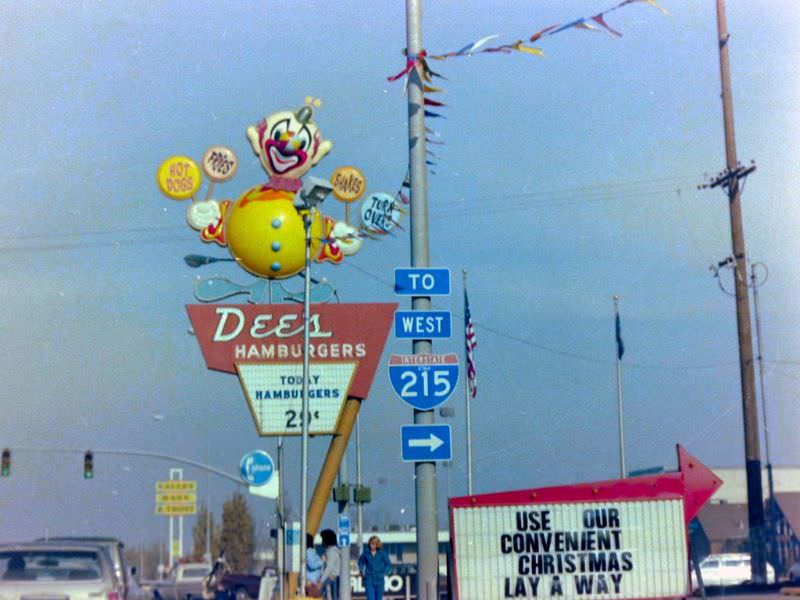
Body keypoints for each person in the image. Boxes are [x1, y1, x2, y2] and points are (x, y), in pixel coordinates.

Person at [357, 536, 392, 600]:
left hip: (379, 580)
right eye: (370, 544)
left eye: (373, 544)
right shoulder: (366, 553)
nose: (371, 545)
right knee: (370, 598)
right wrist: (362, 572)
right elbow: (360, 562)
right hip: (369, 579)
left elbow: (388, 565)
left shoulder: (382, 553)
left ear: (377, 544)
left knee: (378, 598)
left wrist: (384, 573)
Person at [318, 529, 340, 600]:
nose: (322, 542)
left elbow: (329, 568)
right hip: (331, 579)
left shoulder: (332, 552)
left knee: (330, 597)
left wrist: (321, 581)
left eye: (323, 539)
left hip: (330, 579)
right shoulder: (330, 552)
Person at [304, 533, 323, 598]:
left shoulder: (310, 551)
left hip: (313, 581)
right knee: (316, 597)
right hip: (311, 582)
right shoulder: (309, 551)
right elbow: (312, 565)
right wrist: (322, 561)